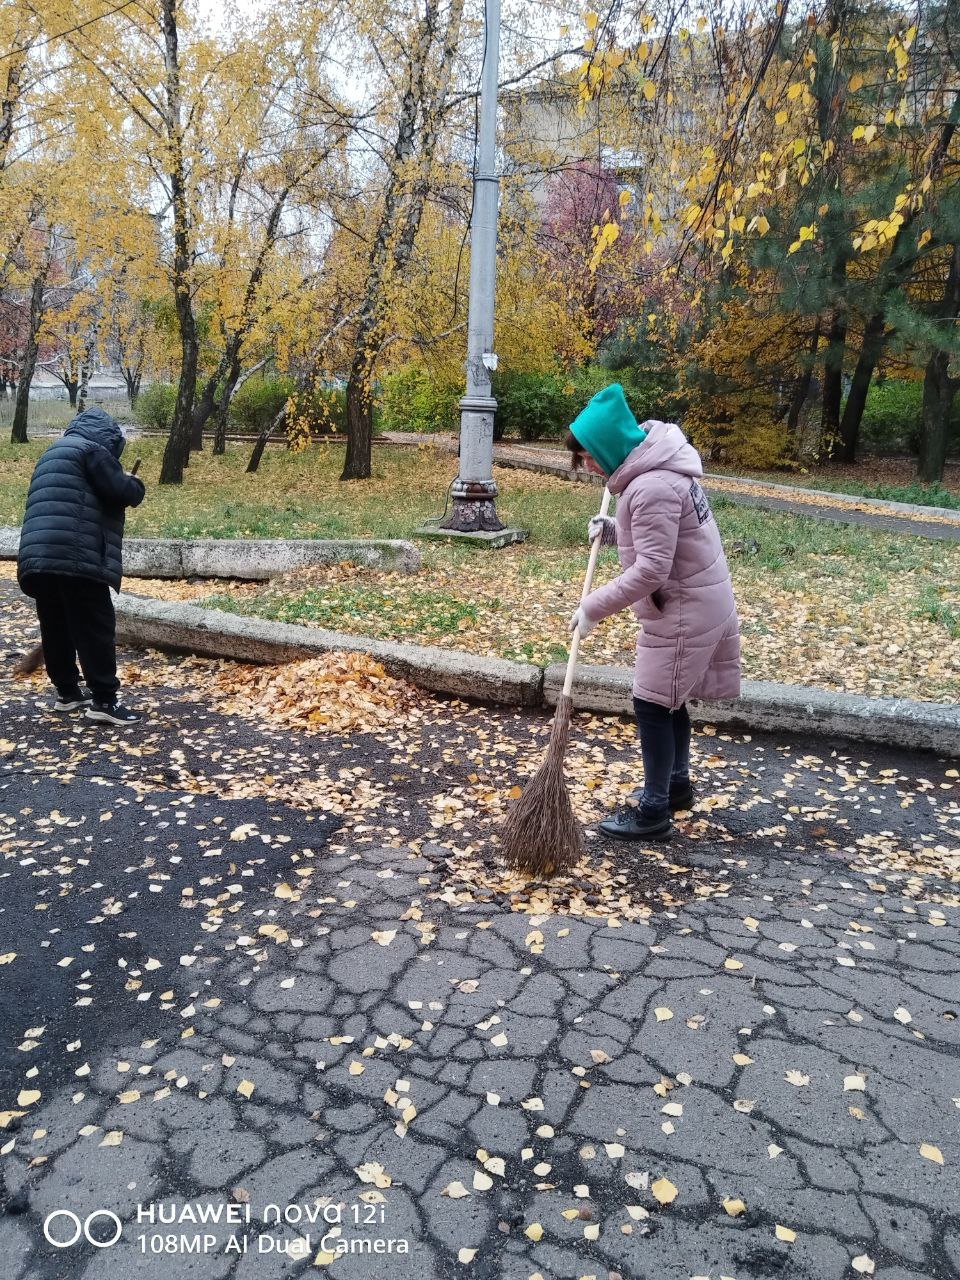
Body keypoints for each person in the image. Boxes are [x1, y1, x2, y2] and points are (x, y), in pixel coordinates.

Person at [567, 383, 740, 839]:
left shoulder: (651, 487)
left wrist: (592, 608)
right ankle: (676, 787)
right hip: (695, 599)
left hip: (684, 609)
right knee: (668, 699)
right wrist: (612, 528)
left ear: (606, 446)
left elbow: (652, 570)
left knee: (651, 703)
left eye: (587, 454)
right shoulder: (656, 470)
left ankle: (654, 811)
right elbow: (664, 538)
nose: (585, 464)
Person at [17, 405, 146, 726]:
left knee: (56, 623)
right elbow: (124, 491)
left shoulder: (54, 452)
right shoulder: (92, 450)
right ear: (109, 437)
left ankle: (67, 693)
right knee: (94, 625)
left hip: (39, 555)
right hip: (75, 553)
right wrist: (134, 481)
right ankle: (104, 700)